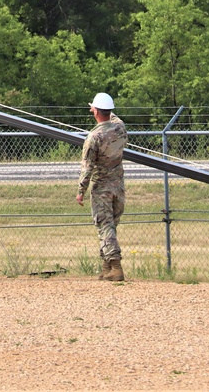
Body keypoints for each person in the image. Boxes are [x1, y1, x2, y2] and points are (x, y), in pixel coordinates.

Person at [76, 92, 128, 281]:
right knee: (111, 226)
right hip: (119, 187)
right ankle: (107, 267)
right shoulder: (120, 129)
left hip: (102, 188)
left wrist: (81, 191)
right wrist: (103, 109)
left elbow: (87, 168)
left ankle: (116, 266)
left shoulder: (94, 137)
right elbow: (114, 117)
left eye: (93, 108)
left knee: (105, 227)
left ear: (96, 111)